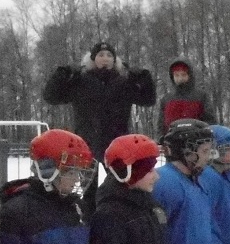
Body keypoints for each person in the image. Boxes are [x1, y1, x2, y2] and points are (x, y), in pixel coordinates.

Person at [43, 41, 157, 214]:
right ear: (92, 59)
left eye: (109, 55)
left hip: (117, 146)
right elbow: (51, 97)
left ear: (115, 60)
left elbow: (148, 100)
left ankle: (119, 216)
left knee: (122, 184)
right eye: (101, 55)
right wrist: (61, 76)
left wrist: (144, 79)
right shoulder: (80, 81)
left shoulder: (123, 82)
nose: (105, 59)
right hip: (87, 145)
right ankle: (89, 224)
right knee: (87, 191)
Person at [158, 58, 216, 133]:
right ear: (172, 77)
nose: (180, 78)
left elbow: (210, 121)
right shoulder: (166, 99)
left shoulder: (201, 96)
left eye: (183, 75)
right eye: (177, 75)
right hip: (172, 141)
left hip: (196, 140)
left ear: (189, 75)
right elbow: (161, 126)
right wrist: (161, 140)